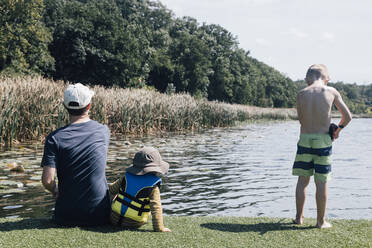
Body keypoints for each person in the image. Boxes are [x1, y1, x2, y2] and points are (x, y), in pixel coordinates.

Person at [41, 83, 111, 226]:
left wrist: (55, 190)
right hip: (99, 214)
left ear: (65, 107)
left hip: (65, 216)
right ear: (89, 106)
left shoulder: (54, 138)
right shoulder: (103, 131)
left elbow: (47, 180)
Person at [292, 64, 352, 228]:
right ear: (327, 78)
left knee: (302, 181)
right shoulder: (331, 91)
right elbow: (347, 116)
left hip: (304, 139)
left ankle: (299, 218)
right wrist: (338, 130)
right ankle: (320, 221)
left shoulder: (301, 93)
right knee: (321, 182)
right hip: (323, 141)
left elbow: (301, 119)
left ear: (307, 79)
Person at [109, 146, 171, 232]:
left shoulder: (126, 176)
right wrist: (160, 228)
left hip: (113, 219)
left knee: (115, 195)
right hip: (134, 223)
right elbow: (156, 208)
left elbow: (111, 190)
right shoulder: (153, 186)